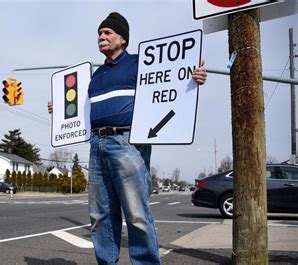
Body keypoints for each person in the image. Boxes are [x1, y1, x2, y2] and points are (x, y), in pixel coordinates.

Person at [48, 12, 207, 265]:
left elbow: (169, 83)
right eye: (100, 33)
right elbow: (83, 109)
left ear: (122, 39)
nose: (101, 36)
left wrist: (194, 78)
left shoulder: (139, 64)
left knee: (136, 213)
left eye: (107, 32)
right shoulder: (96, 75)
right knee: (100, 214)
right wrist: (59, 113)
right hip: (96, 145)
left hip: (127, 143)